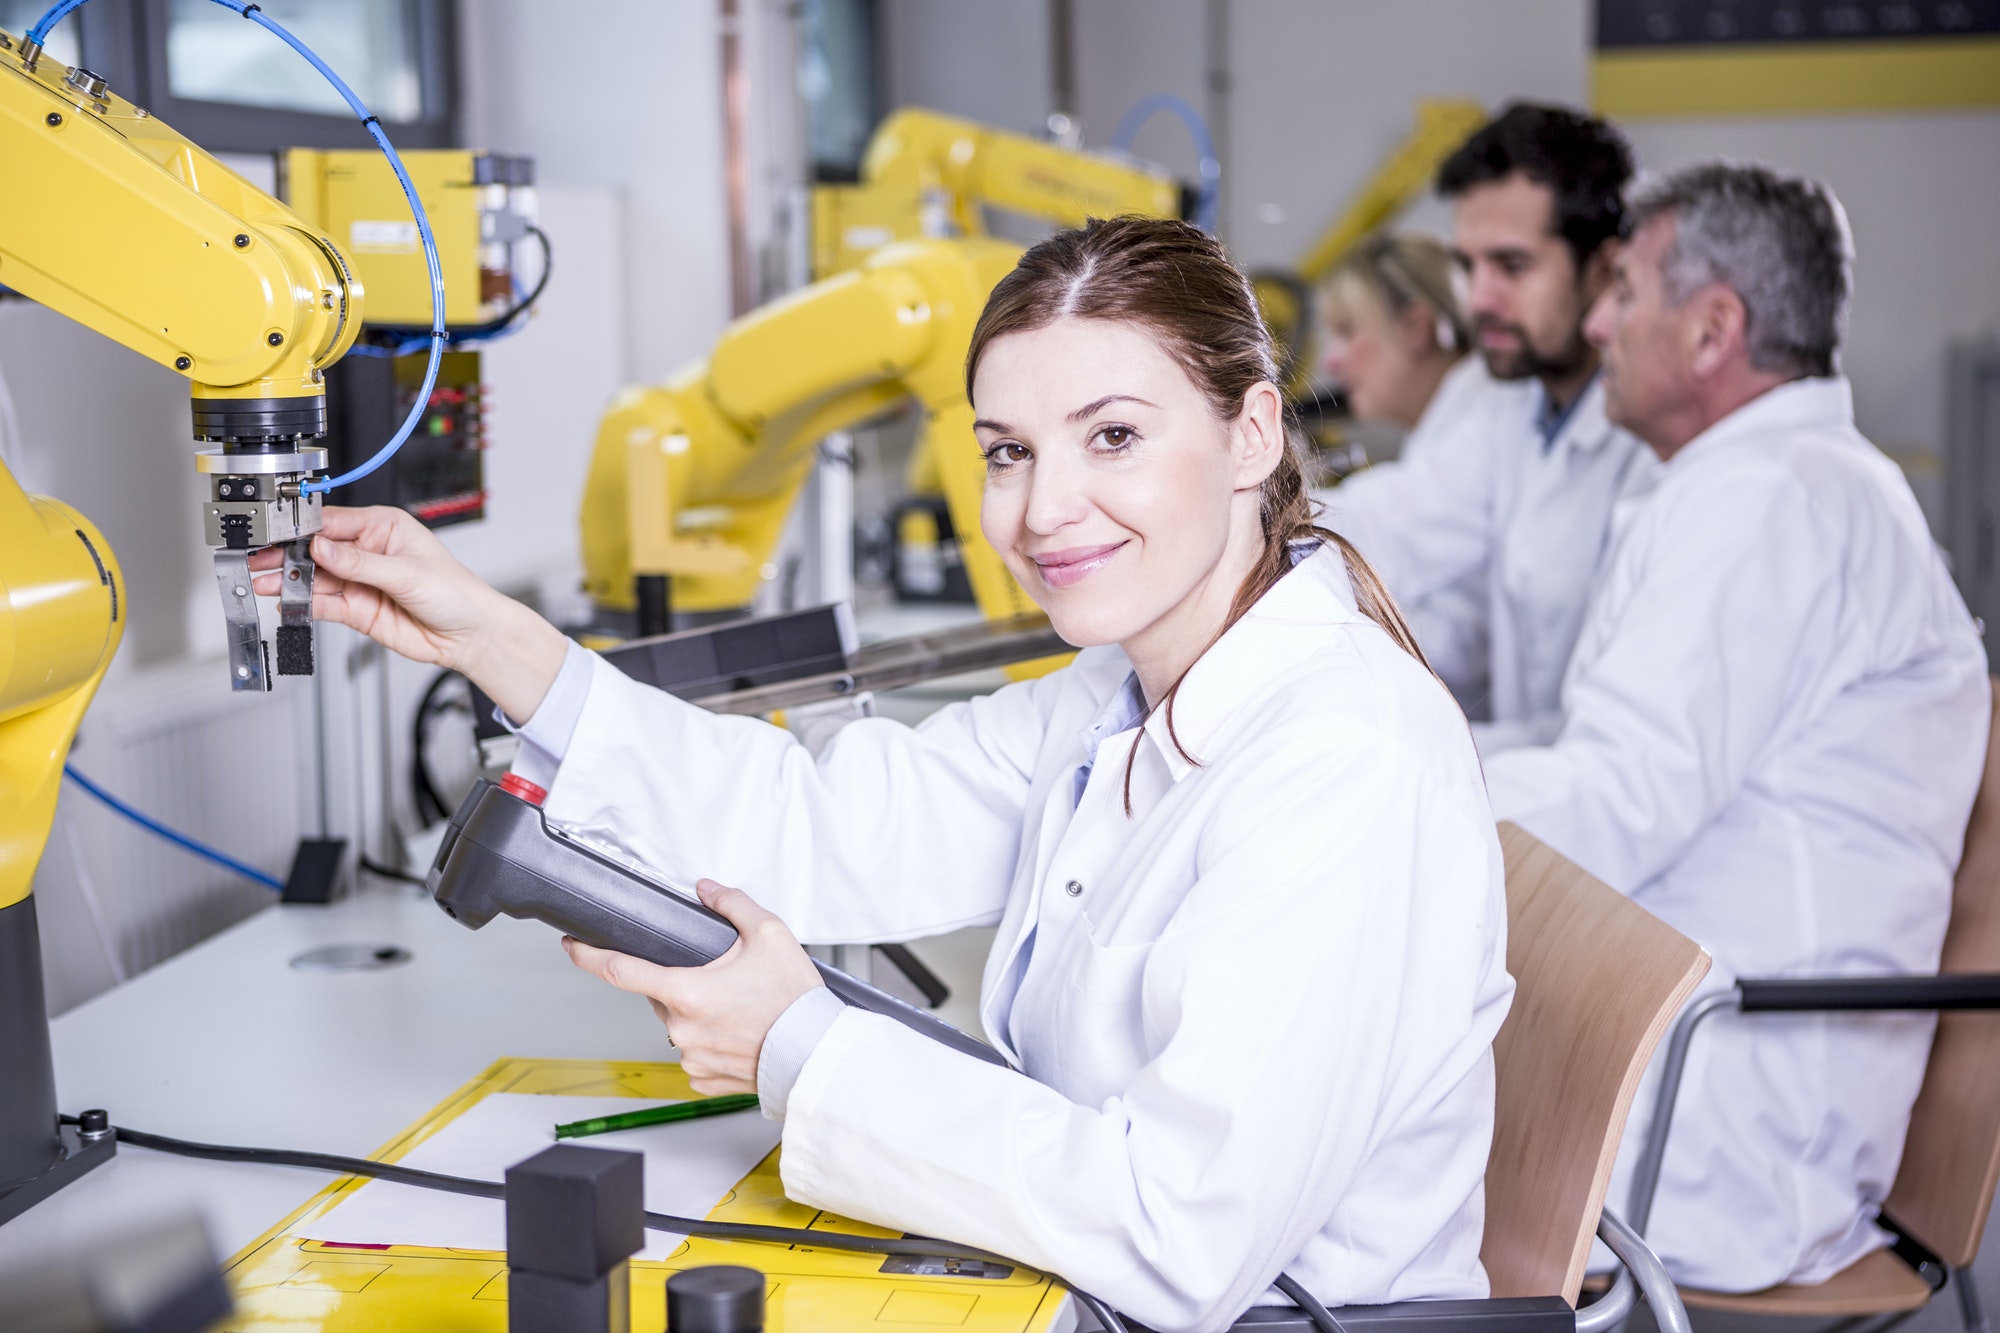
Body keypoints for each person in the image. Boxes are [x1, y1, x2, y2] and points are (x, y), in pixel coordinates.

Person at [260, 217, 1513, 1331]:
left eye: (1113, 436)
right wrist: (490, 637)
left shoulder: (1345, 759)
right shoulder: (1118, 690)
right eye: (1007, 451)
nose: (1041, 509)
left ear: (1250, 435)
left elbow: (1178, 1233)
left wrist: (793, 1041)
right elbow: (826, 824)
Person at [1486, 163, 1989, 1291]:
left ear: (1713, 328)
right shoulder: (1785, 483)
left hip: (1720, 1123)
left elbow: (1613, 803)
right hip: (1725, 1062)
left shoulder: (1769, 500)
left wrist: (1364, 800)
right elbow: (1609, 753)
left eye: (1627, 290)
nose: (1600, 322)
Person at [1322, 104, 1651, 749]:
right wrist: (1235, 526)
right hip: (1537, 787)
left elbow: (1621, 750)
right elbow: (1394, 524)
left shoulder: (1652, 441)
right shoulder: (1505, 400)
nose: (1478, 301)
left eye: (1513, 266)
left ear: (1605, 269)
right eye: (1470, 267)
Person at [1318, 232, 1497, 715]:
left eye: (1349, 330)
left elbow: (1466, 641)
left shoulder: (1486, 422)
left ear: (1417, 326)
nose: (1333, 360)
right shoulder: (1447, 429)